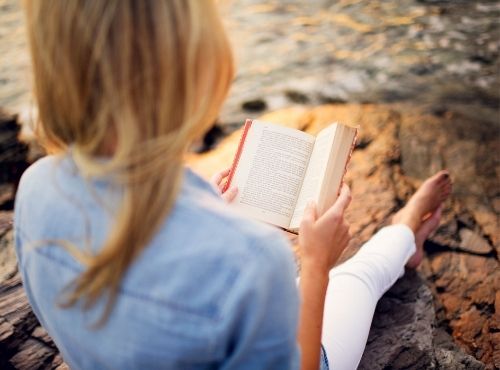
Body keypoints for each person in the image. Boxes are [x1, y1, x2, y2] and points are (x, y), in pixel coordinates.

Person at [14, 1, 452, 369]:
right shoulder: (249, 261)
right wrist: (317, 264)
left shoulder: (34, 190)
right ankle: (405, 231)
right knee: (357, 276)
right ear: (196, 74)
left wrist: (213, 216)